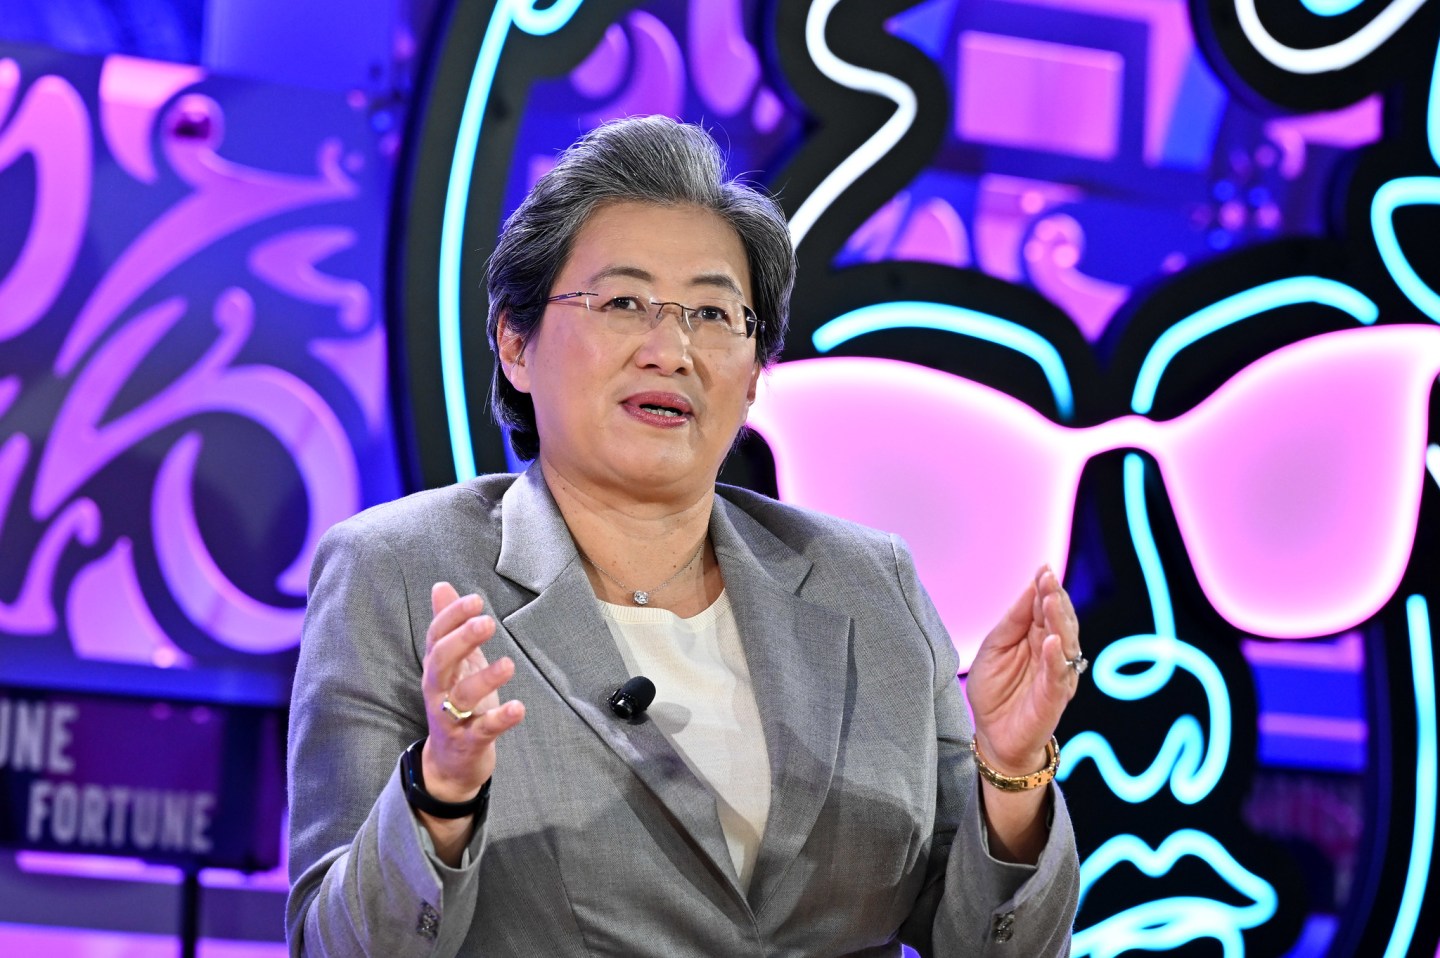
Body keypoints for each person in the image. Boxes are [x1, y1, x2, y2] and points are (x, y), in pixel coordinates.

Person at [286, 115, 1082, 956]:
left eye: (712, 314)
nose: (672, 350)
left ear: (752, 378)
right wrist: (439, 791)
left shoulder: (869, 584)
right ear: (516, 345)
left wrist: (1014, 771)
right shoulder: (400, 572)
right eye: (624, 302)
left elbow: (994, 946)